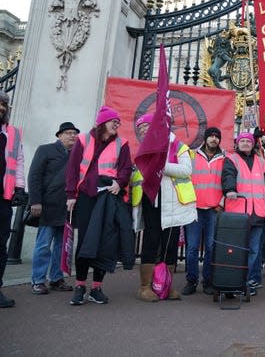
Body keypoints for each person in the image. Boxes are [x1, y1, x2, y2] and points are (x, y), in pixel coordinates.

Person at [65, 106, 133, 306]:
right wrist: (70, 195)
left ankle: (96, 288)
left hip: (108, 199)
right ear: (102, 122)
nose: (117, 124)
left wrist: (119, 183)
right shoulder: (83, 140)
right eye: (114, 121)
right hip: (86, 197)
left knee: (105, 243)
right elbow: (72, 168)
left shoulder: (123, 143)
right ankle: (79, 285)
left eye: (119, 122)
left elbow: (126, 168)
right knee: (86, 241)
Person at [131, 113, 197, 302]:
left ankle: (165, 286)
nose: (143, 131)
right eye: (140, 129)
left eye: (146, 127)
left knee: (170, 241)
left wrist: (161, 166)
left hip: (173, 202)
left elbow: (186, 170)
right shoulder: (142, 148)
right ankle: (145, 287)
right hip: (151, 198)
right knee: (151, 240)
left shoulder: (178, 146)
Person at [28, 122, 79, 295]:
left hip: (66, 207)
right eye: (68, 133)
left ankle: (56, 279)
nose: (72, 136)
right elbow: (34, 176)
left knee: (61, 246)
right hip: (47, 206)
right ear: (59, 135)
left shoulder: (77, 155)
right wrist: (35, 201)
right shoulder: (45, 150)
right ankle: (38, 280)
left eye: (74, 133)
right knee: (43, 245)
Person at [222, 132, 265, 296]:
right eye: (242, 141)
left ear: (253, 144)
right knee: (236, 250)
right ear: (237, 144)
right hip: (238, 213)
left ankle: (248, 281)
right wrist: (230, 189)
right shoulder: (232, 159)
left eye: (248, 141)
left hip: (258, 213)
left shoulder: (261, 162)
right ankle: (236, 280)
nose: (245, 143)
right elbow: (228, 176)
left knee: (254, 250)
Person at [182, 127, 225, 296]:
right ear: (205, 138)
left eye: (217, 136)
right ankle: (191, 280)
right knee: (192, 247)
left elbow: (228, 181)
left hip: (214, 210)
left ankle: (208, 281)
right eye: (211, 136)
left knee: (211, 247)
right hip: (194, 208)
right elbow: (184, 179)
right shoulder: (191, 155)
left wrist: (221, 203)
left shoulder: (225, 158)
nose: (214, 139)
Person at [0, 90, 26, 308]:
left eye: (3, 104)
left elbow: (18, 162)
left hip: (4, 199)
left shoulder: (13, 133)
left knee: (0, 245)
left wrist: (20, 188)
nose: (1, 107)